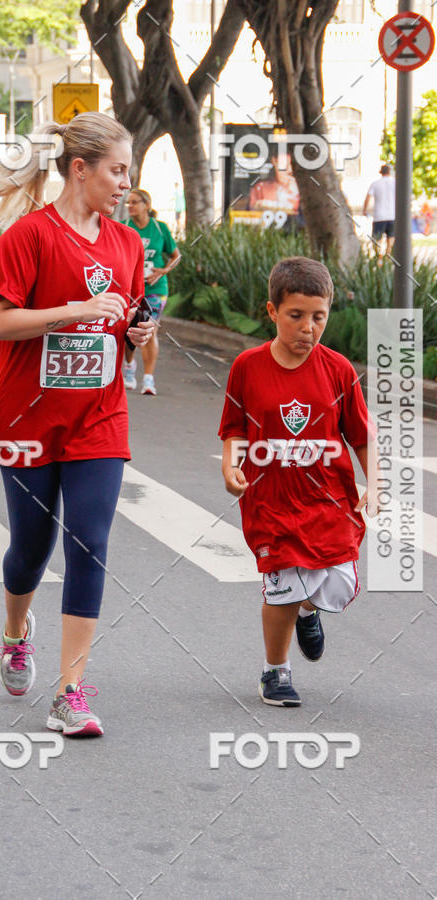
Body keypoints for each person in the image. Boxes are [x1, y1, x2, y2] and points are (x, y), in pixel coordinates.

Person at [0, 111, 154, 737]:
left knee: (89, 543)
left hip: (99, 417)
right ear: (81, 168)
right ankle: (17, 632)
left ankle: (71, 691)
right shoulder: (29, 236)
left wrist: (137, 331)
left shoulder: (128, 244)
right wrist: (74, 310)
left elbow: (118, 327)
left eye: (129, 171)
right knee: (30, 551)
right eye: (118, 169)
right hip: (26, 417)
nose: (126, 182)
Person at [219, 257, 377, 707]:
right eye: (296, 316)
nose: (308, 327)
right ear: (272, 311)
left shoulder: (340, 370)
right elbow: (234, 428)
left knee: (337, 584)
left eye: (318, 316)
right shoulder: (247, 367)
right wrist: (231, 466)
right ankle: (276, 672)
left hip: (329, 501)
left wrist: (377, 482)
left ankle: (310, 610)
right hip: (270, 501)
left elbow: (360, 436)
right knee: (281, 588)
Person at [122, 188, 180, 395]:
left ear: (147, 204)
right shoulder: (123, 228)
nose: (130, 206)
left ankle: (148, 379)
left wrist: (164, 270)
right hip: (130, 290)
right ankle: (129, 366)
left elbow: (176, 256)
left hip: (156, 288)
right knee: (129, 332)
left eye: (135, 202)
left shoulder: (160, 228)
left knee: (150, 328)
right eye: (128, 203)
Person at [363, 164, 395, 257]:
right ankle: (388, 257)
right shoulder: (395, 183)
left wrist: (365, 210)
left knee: (377, 240)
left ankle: (379, 259)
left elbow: (368, 197)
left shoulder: (375, 183)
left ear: (381, 173)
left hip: (379, 216)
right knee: (391, 239)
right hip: (393, 216)